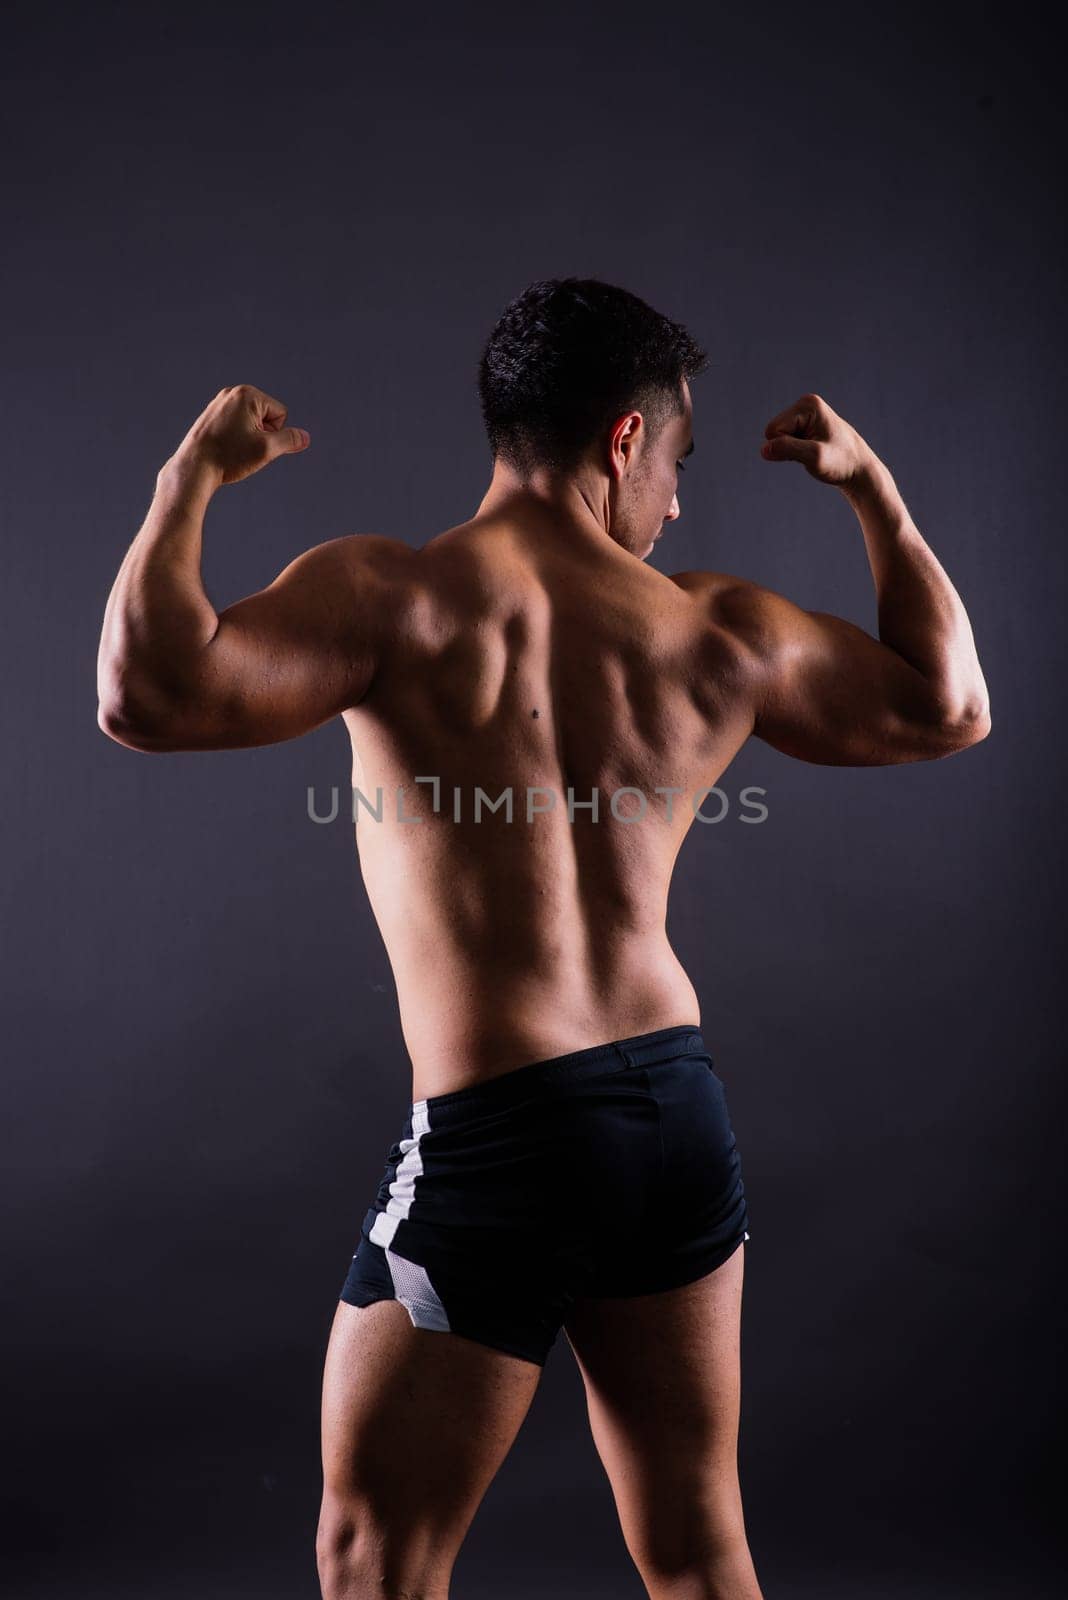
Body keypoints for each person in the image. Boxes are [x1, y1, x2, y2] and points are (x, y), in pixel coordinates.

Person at [96, 277, 991, 1600]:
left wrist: (188, 481)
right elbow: (948, 705)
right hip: (669, 1115)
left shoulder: (391, 596)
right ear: (625, 439)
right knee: (697, 1544)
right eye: (676, 462)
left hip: (504, 1136)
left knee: (374, 1557)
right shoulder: (710, 628)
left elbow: (146, 695)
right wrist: (878, 497)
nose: (677, 503)